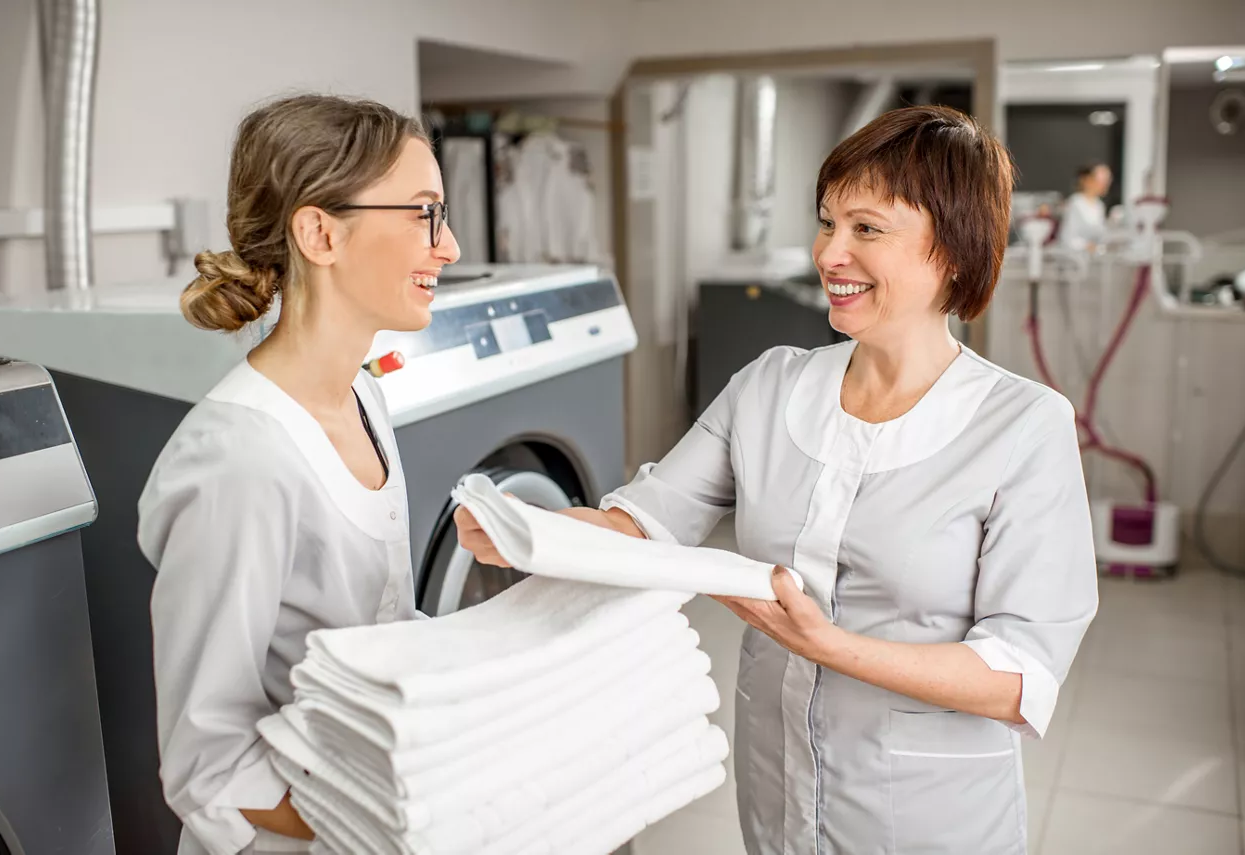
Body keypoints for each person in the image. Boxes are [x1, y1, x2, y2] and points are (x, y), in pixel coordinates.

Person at [456, 105, 1098, 853]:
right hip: (778, 785)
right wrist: (523, 527)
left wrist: (829, 644)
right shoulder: (770, 386)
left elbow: (1018, 674)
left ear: (953, 251)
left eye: (867, 228)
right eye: (827, 223)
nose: (830, 253)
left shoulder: (1023, 426)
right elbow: (645, 526)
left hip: (927, 813)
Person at [137, 94, 460, 854]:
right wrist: (383, 806)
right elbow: (207, 761)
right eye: (425, 214)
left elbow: (381, 629)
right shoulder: (238, 458)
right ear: (319, 232)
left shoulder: (364, 396)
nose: (448, 247)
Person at [1058, 162, 1113, 250]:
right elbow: (1067, 238)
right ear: (1087, 180)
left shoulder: (1099, 205)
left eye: (1108, 179)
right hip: (1075, 258)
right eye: (1102, 179)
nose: (1105, 183)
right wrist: (1085, 246)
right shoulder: (1075, 203)